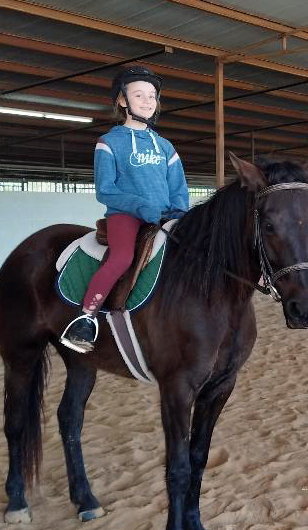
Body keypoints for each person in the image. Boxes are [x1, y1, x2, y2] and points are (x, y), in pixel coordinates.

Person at [60, 66, 189, 353]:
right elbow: (105, 190)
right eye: (138, 95)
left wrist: (180, 211)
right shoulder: (109, 142)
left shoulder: (166, 146)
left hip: (166, 216)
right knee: (121, 258)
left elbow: (178, 187)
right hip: (125, 215)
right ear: (122, 101)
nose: (147, 101)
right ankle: (86, 318)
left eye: (152, 96)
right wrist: (142, 207)